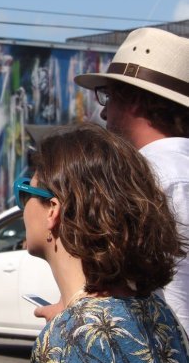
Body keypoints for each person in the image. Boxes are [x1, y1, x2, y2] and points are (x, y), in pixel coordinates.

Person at [15, 123, 189, 363]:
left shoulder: (67, 340)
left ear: (53, 210)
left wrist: (68, 330)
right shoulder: (159, 313)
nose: (22, 206)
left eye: (24, 193)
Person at [71, 26, 189, 332]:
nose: (105, 113)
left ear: (135, 100)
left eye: (109, 97)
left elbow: (167, 302)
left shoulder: (146, 179)